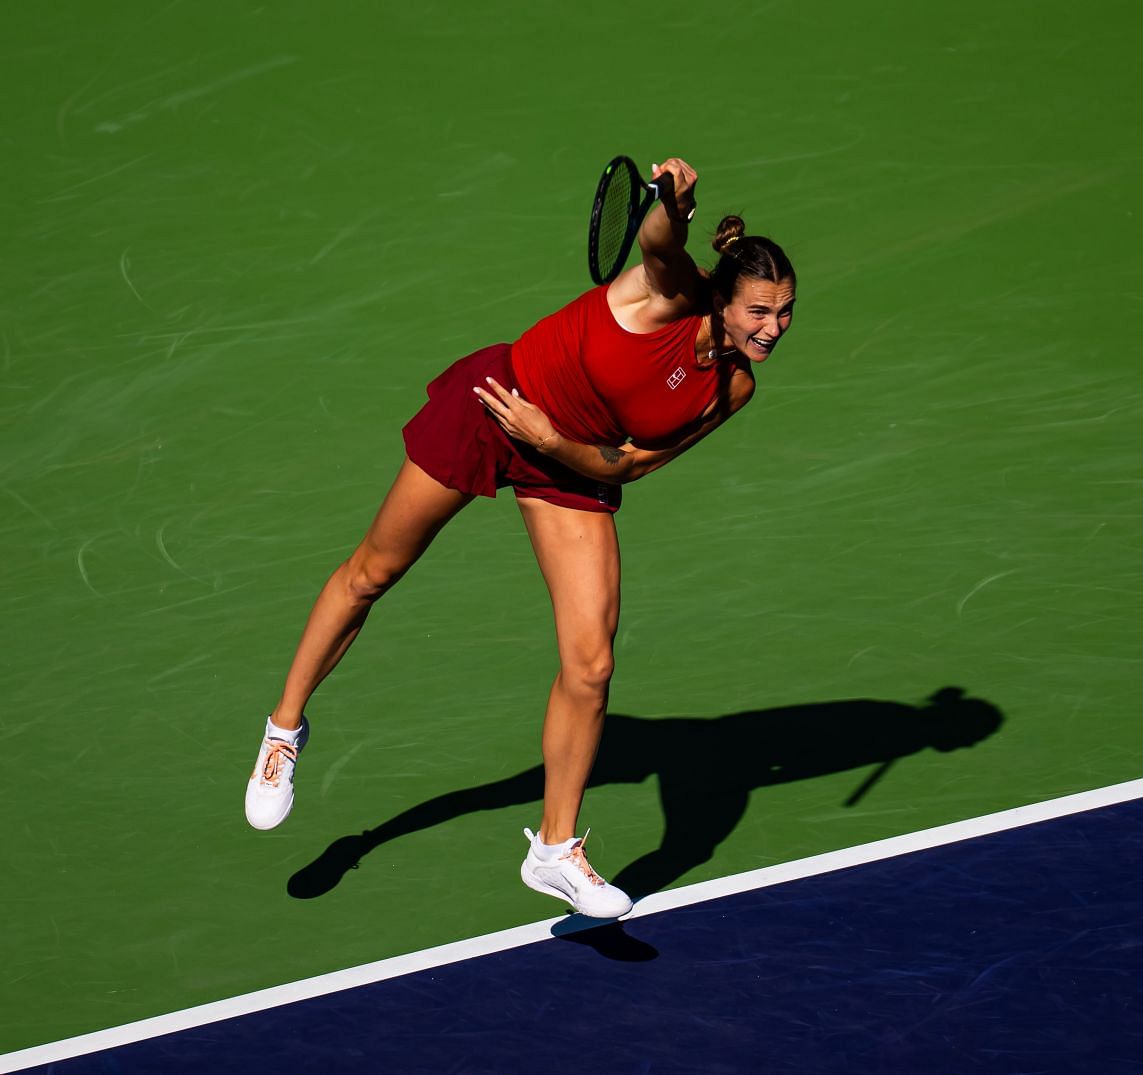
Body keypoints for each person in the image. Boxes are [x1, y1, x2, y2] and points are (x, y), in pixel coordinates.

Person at [243, 157, 797, 920]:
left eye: (785, 312)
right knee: (373, 571)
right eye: (759, 310)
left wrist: (551, 440)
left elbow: (629, 464)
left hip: (570, 460)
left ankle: (555, 849)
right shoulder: (671, 292)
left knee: (592, 661)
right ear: (724, 297)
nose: (773, 327)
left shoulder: (734, 386)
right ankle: (284, 730)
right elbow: (662, 241)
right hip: (498, 404)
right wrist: (675, 202)